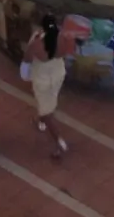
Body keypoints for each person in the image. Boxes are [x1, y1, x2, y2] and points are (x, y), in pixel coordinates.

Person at [23, 14, 71, 158]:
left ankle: (59, 141)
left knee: (47, 112)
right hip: (58, 74)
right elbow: (65, 52)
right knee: (50, 101)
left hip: (43, 79)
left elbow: (27, 58)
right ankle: (40, 122)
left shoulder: (37, 43)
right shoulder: (61, 37)